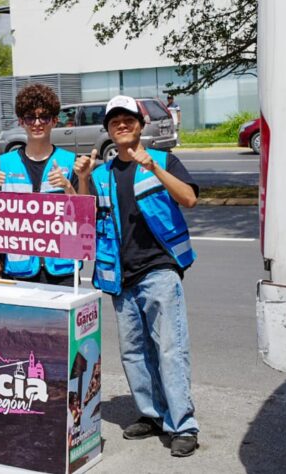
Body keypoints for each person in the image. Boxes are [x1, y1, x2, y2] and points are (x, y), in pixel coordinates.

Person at [77, 95, 201, 457]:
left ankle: (183, 425)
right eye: (114, 121)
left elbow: (189, 199)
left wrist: (155, 168)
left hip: (159, 270)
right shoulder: (101, 174)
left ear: (140, 125)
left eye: (128, 119)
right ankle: (152, 414)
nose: (122, 124)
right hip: (120, 276)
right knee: (133, 352)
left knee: (170, 350)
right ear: (108, 130)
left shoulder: (164, 160)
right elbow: (85, 218)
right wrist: (82, 178)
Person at [0, 82, 91, 285]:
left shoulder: (70, 162)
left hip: (62, 269)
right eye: (30, 117)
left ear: (55, 121)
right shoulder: (4, 164)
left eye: (44, 117)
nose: (37, 123)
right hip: (18, 268)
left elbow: (86, 219)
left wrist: (69, 187)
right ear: (21, 122)